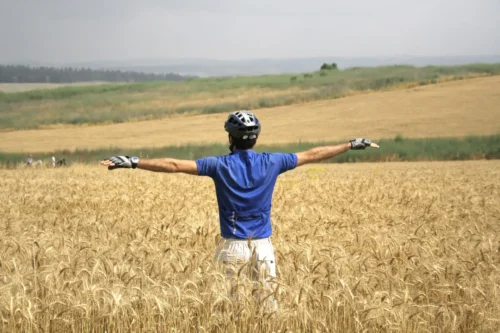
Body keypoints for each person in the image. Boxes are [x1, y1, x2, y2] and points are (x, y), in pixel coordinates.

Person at [100, 110, 379, 310]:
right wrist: (351, 144)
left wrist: (133, 161)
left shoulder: (219, 165)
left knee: (230, 312)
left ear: (231, 139)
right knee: (268, 309)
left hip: (232, 247)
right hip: (264, 248)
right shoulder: (274, 161)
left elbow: (173, 165)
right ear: (255, 139)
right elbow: (313, 154)